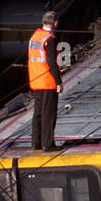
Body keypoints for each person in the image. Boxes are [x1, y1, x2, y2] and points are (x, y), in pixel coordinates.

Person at [28, 11, 63, 150]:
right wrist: (58, 82)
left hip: (36, 80)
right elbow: (52, 63)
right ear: (55, 23)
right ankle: (48, 144)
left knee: (38, 113)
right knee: (49, 114)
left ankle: (36, 143)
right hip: (48, 82)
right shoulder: (50, 39)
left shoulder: (35, 36)